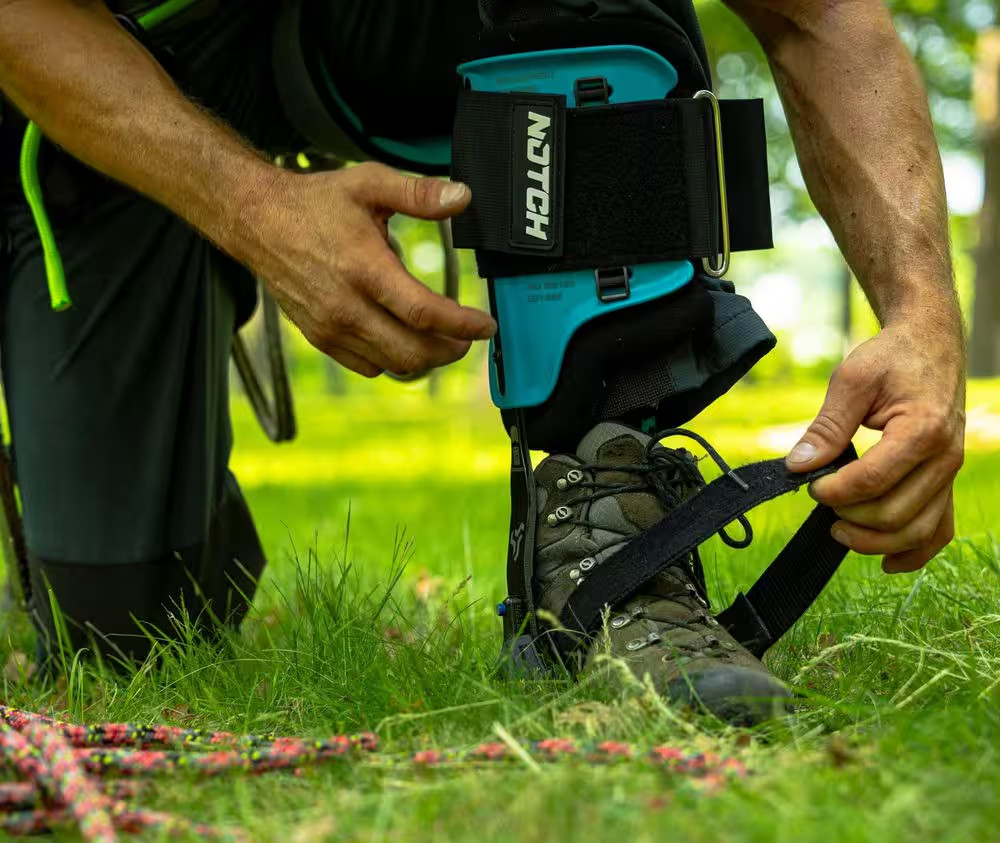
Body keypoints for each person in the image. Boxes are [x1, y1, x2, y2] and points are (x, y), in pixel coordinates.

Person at [0, 1, 965, 720]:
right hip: (106, 60)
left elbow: (818, 14)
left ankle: (601, 522)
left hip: (377, 29)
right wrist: (252, 211)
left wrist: (923, 320)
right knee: (121, 636)